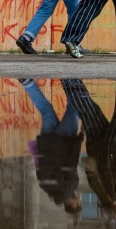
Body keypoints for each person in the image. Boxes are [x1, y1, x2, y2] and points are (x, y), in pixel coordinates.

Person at [62, 78, 116, 222]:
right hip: (96, 145)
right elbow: (93, 174)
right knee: (88, 109)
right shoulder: (102, 195)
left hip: (114, 146)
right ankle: (68, 80)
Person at [20, 78, 82, 214]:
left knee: (74, 108)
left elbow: (72, 161)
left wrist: (80, 138)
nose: (79, 200)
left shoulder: (71, 186)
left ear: (73, 204)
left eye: (78, 203)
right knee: (46, 110)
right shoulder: (46, 187)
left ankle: (72, 79)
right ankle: (28, 83)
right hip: (47, 142)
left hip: (64, 140)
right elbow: (38, 165)